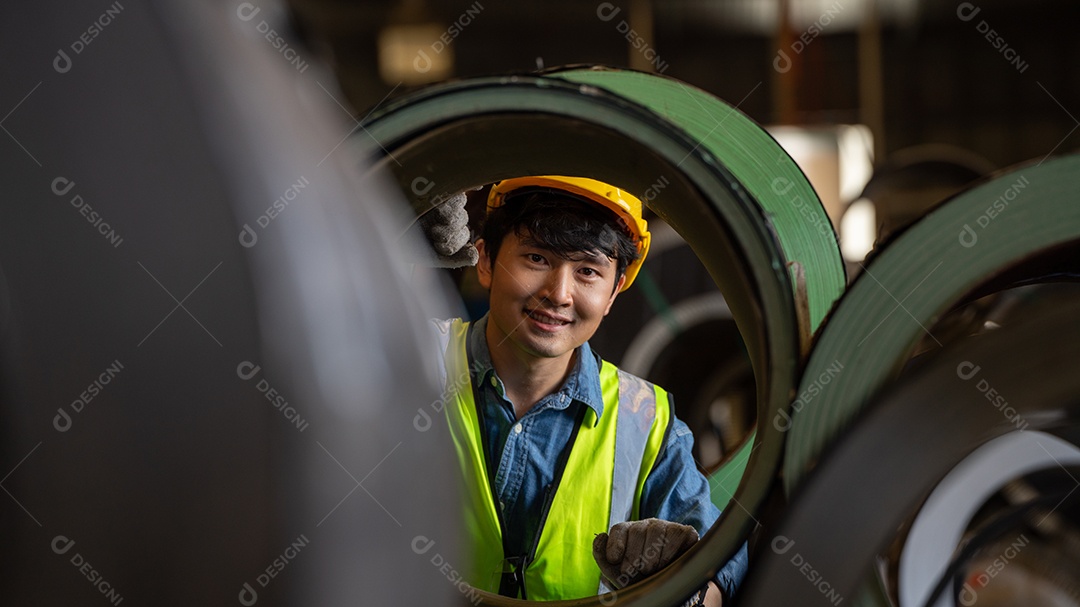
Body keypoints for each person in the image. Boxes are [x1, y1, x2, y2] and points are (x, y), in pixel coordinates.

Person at [422, 176, 748, 604]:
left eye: (588, 271)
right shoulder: (414, 356)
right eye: (536, 258)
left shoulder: (644, 419)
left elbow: (720, 568)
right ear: (485, 261)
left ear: (614, 291)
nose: (559, 294)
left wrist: (682, 587)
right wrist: (383, 241)